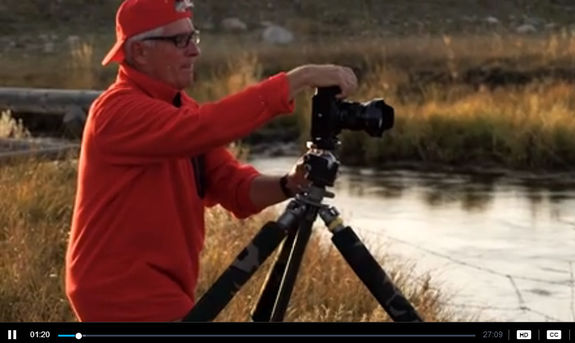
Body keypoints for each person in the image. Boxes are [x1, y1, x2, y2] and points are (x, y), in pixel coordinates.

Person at [64, 0, 358, 322]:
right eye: (180, 41)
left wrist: (289, 183)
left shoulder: (180, 109)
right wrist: (298, 79)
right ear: (139, 52)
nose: (194, 51)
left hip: (161, 287)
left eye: (194, 38)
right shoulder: (117, 111)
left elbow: (236, 188)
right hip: (119, 290)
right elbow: (207, 127)